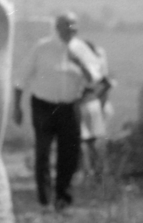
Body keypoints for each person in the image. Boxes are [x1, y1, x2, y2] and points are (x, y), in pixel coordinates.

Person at [12, 11, 93, 210]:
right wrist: (17, 107)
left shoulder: (81, 49)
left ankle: (62, 198)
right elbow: (21, 79)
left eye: (74, 26)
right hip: (44, 106)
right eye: (68, 25)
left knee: (69, 154)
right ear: (57, 28)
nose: (72, 30)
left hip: (69, 106)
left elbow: (94, 78)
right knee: (43, 152)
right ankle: (44, 199)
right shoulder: (42, 48)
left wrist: (80, 65)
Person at [75, 39, 114, 183]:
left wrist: (89, 95)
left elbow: (104, 84)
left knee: (87, 142)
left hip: (88, 105)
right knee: (90, 143)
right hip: (92, 104)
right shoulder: (95, 60)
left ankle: (92, 174)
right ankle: (94, 174)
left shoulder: (87, 65)